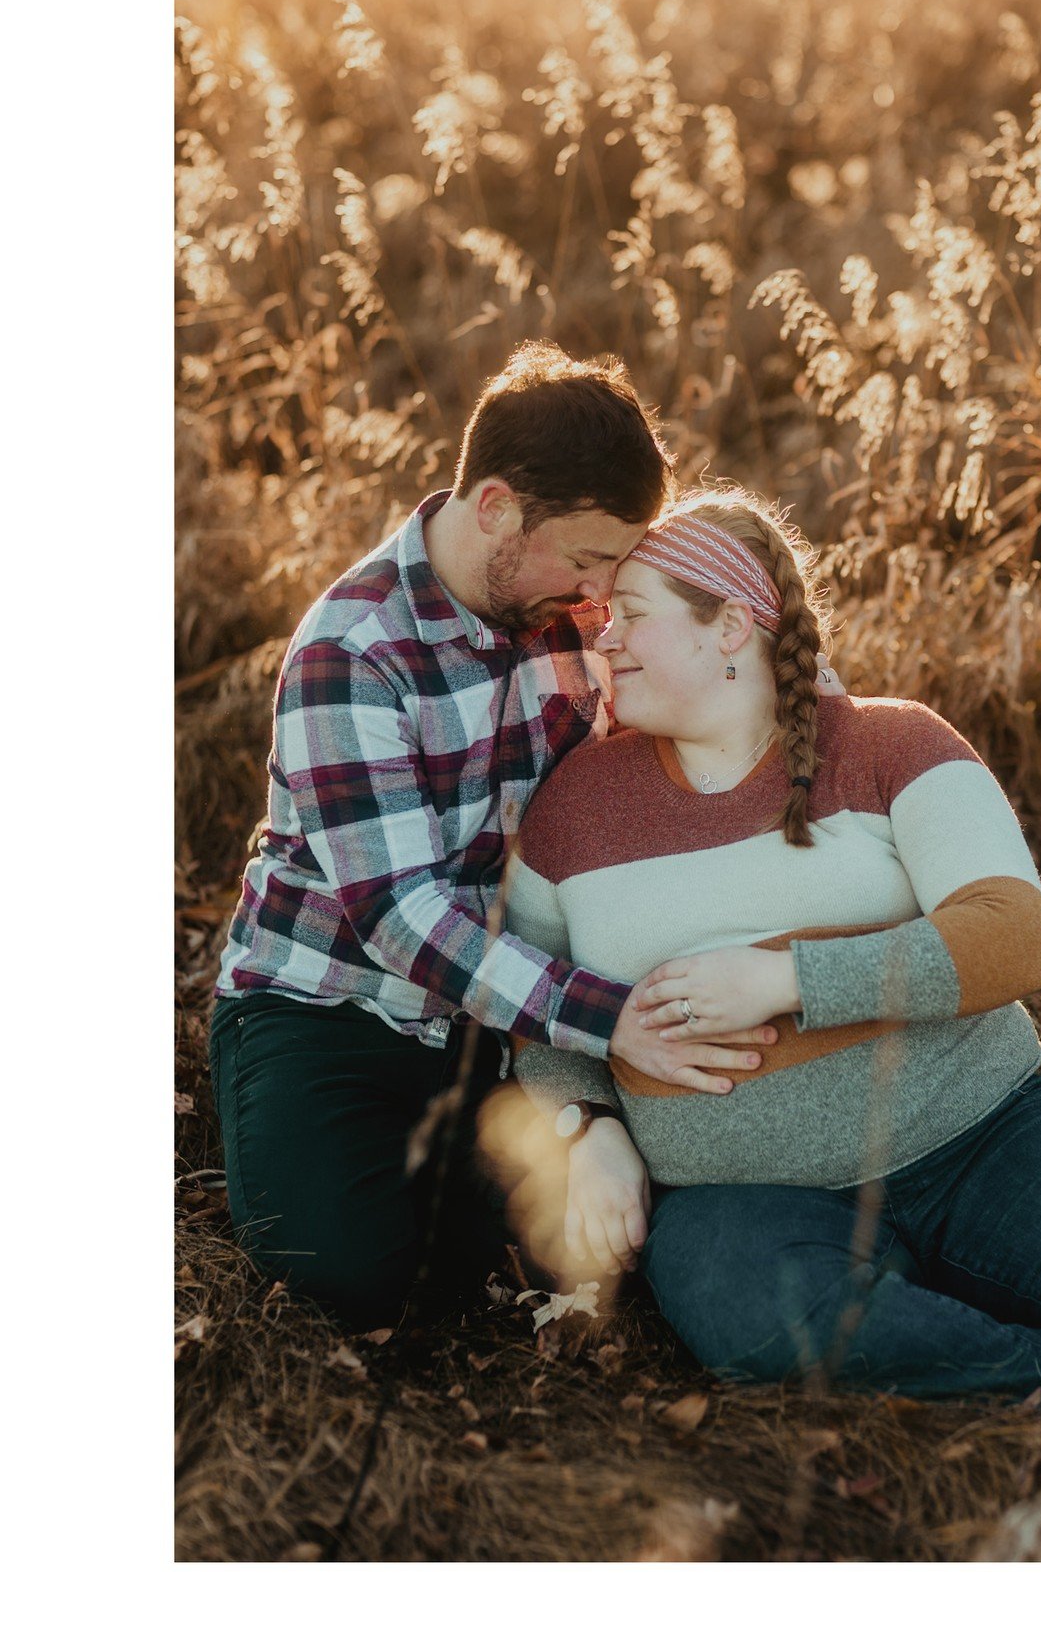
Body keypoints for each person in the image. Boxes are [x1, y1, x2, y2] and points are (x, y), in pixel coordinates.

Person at [503, 486, 1041, 1412]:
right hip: (741, 1200)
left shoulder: (892, 745)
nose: (605, 641)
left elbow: (1012, 933)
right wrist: (588, 1128)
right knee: (765, 1328)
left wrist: (784, 980)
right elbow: (535, 1001)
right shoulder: (573, 809)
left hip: (985, 1140)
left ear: (732, 626)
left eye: (629, 615)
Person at [208, 343, 781, 1330]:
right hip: (332, 1005)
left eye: (616, 563)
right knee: (346, 1271)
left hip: (497, 1013)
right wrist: (611, 1018)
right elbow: (400, 920)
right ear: (497, 510)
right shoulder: (351, 652)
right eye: (589, 556)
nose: (603, 587)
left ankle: (538, 1169)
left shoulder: (567, 613)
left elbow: (711, 676)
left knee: (648, 1206)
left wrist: (814, 709)